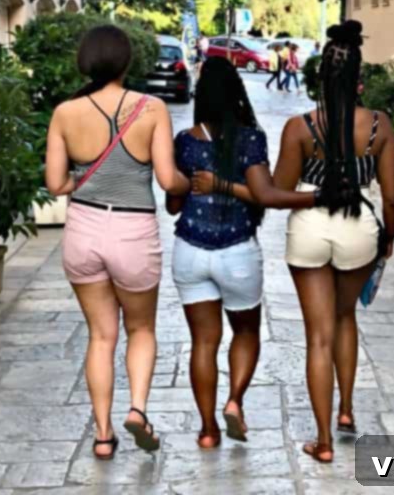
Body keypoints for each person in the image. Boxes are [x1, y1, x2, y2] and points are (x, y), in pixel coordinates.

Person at [46, 25, 190, 460]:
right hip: (133, 232)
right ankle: (137, 410)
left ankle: (103, 435)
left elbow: (56, 183)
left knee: (101, 335)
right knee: (141, 328)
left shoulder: (65, 113)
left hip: (84, 230)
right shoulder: (151, 109)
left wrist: (86, 179)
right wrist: (189, 182)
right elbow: (167, 179)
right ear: (128, 62)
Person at [168, 57, 327, 448]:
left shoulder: (185, 141)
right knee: (246, 330)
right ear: (237, 94)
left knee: (203, 342)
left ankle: (207, 431)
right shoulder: (250, 139)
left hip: (189, 250)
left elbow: (173, 205)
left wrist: (200, 185)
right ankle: (235, 400)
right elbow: (264, 194)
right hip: (237, 251)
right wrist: (319, 198)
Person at [268, 21, 394, 465]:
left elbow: (278, 191)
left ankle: (322, 441)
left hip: (308, 227)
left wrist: (314, 192)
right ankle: (346, 411)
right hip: (358, 228)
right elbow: (392, 195)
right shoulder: (379, 125)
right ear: (360, 79)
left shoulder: (299, 128)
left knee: (317, 337)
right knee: (346, 318)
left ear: (319, 79)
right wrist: (390, 236)